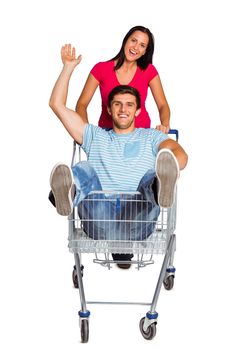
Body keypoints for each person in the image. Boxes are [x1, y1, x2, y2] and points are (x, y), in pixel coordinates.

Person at [49, 44, 188, 268]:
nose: (123, 109)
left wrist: (172, 163)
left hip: (138, 217)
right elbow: (56, 105)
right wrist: (68, 67)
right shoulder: (95, 135)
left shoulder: (151, 137)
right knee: (85, 169)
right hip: (99, 217)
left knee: (151, 176)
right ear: (109, 109)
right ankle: (69, 191)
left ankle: (160, 187)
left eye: (129, 105)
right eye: (117, 104)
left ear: (138, 111)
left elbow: (179, 153)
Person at [76, 26, 170, 132]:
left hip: (141, 135)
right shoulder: (100, 69)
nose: (135, 47)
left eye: (142, 45)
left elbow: (163, 105)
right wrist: (86, 131)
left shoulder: (149, 71)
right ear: (126, 41)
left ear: (145, 51)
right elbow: (82, 104)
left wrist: (165, 125)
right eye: (133, 40)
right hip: (107, 135)